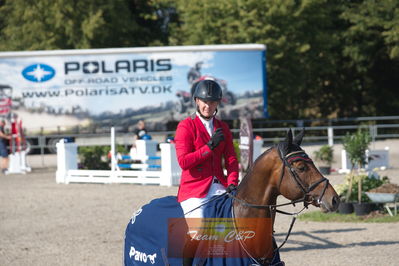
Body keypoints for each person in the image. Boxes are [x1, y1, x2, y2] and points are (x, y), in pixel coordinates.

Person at [174, 79, 239, 217]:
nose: (208, 106)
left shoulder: (223, 127)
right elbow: (184, 162)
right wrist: (208, 148)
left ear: (218, 103)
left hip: (220, 187)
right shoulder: (185, 126)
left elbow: (231, 159)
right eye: (204, 102)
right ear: (197, 100)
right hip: (195, 190)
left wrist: (232, 183)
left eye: (212, 102)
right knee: (198, 227)